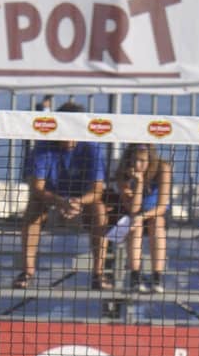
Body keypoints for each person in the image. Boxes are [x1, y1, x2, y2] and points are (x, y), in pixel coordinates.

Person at [16, 101, 108, 289]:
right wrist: (60, 202)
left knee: (99, 210)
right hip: (51, 198)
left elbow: (97, 190)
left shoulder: (92, 147)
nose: (69, 135)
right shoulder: (43, 146)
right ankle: (27, 272)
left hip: (80, 199)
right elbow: (37, 188)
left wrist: (77, 202)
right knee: (33, 208)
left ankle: (98, 274)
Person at [115, 143, 172, 294]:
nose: (137, 164)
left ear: (150, 160)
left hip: (155, 213)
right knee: (135, 226)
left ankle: (157, 277)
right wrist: (139, 183)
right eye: (134, 160)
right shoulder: (123, 174)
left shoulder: (163, 169)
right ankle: (135, 277)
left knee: (157, 223)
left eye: (142, 161)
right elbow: (133, 209)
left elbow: (161, 205)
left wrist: (143, 216)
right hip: (133, 213)